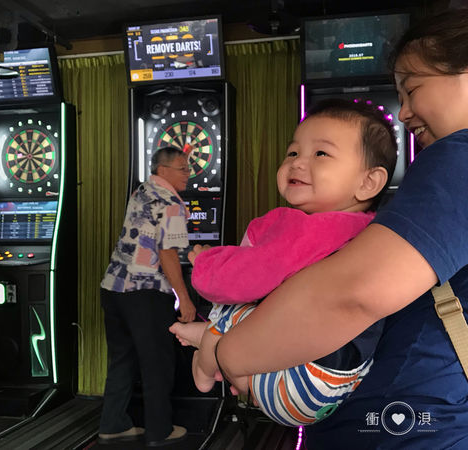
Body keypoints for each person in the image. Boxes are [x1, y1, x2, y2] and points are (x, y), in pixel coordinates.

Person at [213, 9, 468, 448]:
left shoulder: (458, 156)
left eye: (412, 89)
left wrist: (226, 353)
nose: (404, 113)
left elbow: (354, 292)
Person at [169, 98, 397, 426]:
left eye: (321, 154)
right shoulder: (370, 229)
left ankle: (205, 361)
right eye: (292, 153)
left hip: (299, 380)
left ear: (368, 182)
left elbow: (240, 278)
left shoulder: (309, 230)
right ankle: (226, 355)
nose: (298, 162)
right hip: (343, 381)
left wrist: (205, 262)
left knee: (236, 305)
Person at [97, 146, 196, 447]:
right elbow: (168, 254)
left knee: (122, 360)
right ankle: (159, 430)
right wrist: (185, 298)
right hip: (146, 293)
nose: (188, 174)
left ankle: (113, 424)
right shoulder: (171, 203)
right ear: (163, 170)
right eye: (182, 168)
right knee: (157, 364)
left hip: (113, 287)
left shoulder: (142, 190)